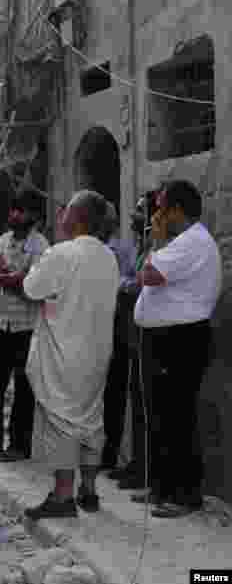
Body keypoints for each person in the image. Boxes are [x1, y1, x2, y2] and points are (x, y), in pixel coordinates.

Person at [22, 190, 119, 520]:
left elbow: (32, 288)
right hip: (96, 352)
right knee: (91, 417)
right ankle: (89, 491)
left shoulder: (61, 253)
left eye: (65, 210)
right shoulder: (108, 256)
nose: (59, 214)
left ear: (76, 218)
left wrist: (36, 266)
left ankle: (62, 497)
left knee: (60, 420)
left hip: (65, 352)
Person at [133, 180, 221, 518]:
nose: (157, 215)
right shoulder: (179, 243)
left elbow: (148, 275)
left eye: (161, 208)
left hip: (180, 339)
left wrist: (155, 240)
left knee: (177, 416)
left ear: (177, 211)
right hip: (166, 337)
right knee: (160, 414)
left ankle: (185, 495)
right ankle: (162, 487)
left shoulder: (192, 242)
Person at [0, 189, 50, 462]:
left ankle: (19, 445)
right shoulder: (2, 240)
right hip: (2, 322)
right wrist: (11, 278)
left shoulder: (41, 246)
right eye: (12, 209)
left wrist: (5, 278)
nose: (13, 215)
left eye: (19, 211)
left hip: (28, 327)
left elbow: (33, 288)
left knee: (24, 389)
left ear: (32, 215)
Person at [109, 191, 160, 490]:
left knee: (148, 404)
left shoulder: (156, 247)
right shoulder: (140, 245)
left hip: (147, 333)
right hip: (132, 332)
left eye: (140, 210)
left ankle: (148, 469)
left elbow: (140, 282)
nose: (133, 215)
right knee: (137, 402)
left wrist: (123, 283)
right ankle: (138, 464)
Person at [101, 202, 139, 470]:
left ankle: (109, 455)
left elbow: (135, 282)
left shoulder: (124, 249)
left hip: (116, 328)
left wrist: (116, 284)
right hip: (91, 328)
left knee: (114, 392)